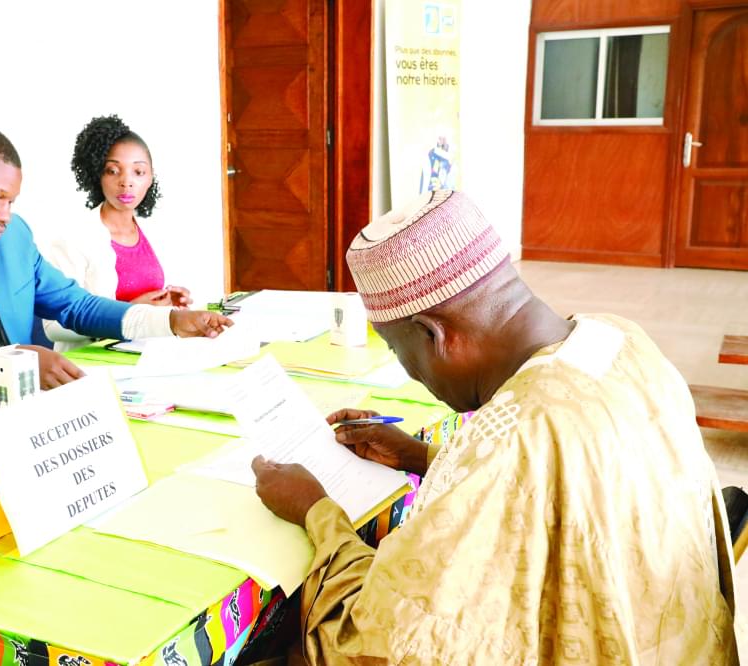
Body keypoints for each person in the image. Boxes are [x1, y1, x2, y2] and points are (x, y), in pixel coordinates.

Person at [251, 190, 737, 663]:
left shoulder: (507, 439)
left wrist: (314, 508)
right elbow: (575, 477)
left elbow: (381, 644)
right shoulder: (620, 337)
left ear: (432, 333)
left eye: (399, 352)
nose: (411, 374)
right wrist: (423, 457)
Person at [0, 125, 230, 409]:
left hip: (21, 412)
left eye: (11, 201)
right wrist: (8, 365)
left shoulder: (12, 238)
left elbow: (77, 306)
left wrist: (169, 322)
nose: (4, 216)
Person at [43, 115, 191, 351]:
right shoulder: (73, 238)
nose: (126, 182)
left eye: (138, 172)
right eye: (113, 171)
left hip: (145, 357)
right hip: (91, 366)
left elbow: (152, 310)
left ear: (151, 177)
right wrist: (129, 312)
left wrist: (169, 307)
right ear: (97, 175)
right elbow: (52, 327)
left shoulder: (154, 232)